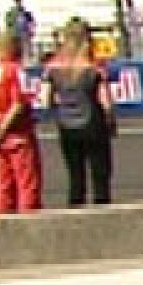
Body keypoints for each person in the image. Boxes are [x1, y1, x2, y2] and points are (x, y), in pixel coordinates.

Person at [41, 18, 115, 206]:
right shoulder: (94, 68)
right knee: (100, 174)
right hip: (92, 122)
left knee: (75, 175)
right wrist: (111, 122)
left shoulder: (52, 68)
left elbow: (44, 100)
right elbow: (106, 102)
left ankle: (75, 213)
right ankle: (102, 212)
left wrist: (60, 105)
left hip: (66, 124)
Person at [0, 30, 43, 213]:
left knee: (4, 184)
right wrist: (4, 127)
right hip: (17, 133)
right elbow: (19, 102)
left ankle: (0, 221)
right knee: (27, 183)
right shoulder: (15, 70)